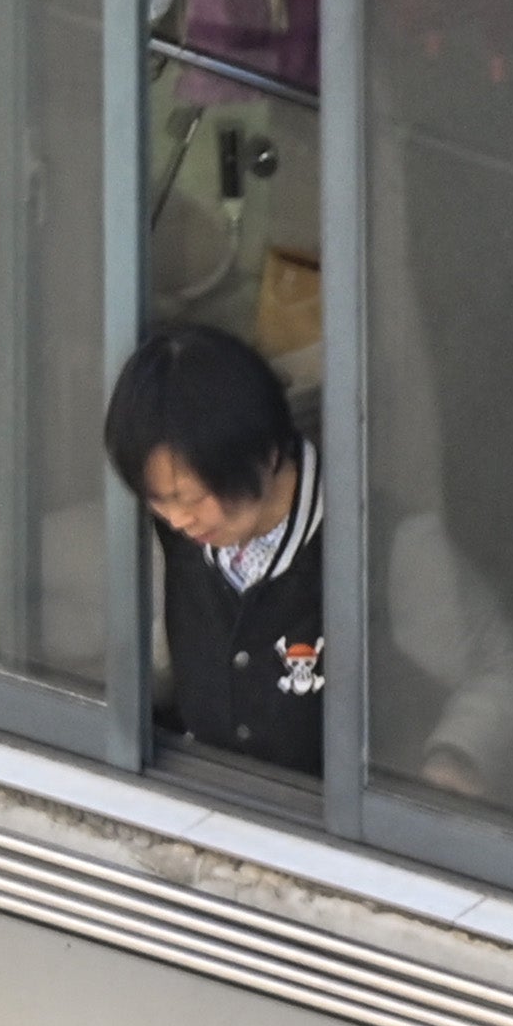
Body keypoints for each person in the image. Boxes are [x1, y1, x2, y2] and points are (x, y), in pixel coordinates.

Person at [106, 322, 325, 783]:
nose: (178, 520)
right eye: (159, 500)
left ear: (264, 455)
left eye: (191, 496)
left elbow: (496, 668)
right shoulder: (167, 543)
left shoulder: (381, 546)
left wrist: (453, 757)